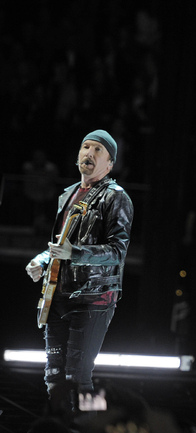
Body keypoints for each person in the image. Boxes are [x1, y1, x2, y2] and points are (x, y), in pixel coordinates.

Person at [25, 130, 134, 399]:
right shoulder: (68, 195)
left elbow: (118, 251)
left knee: (78, 376)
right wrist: (40, 260)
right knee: (53, 376)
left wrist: (75, 253)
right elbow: (59, 246)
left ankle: (88, 426)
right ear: (77, 156)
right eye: (86, 147)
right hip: (57, 295)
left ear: (109, 164)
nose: (90, 153)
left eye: (98, 150)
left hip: (93, 298)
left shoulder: (116, 197)